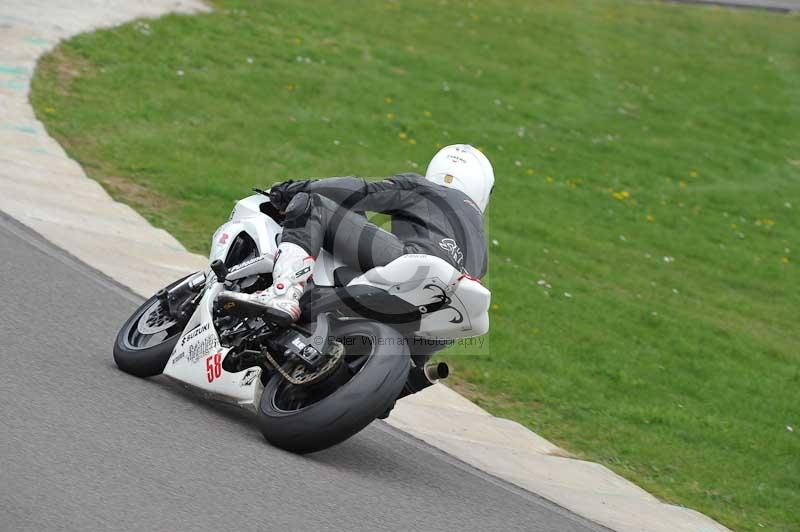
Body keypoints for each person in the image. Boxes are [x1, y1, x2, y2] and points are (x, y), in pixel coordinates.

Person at [216, 144, 494, 323]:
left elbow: (360, 192)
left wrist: (293, 188)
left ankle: (284, 291)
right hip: (450, 300)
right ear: (483, 190)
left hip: (411, 262)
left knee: (314, 205)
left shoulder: (425, 188)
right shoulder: (480, 241)